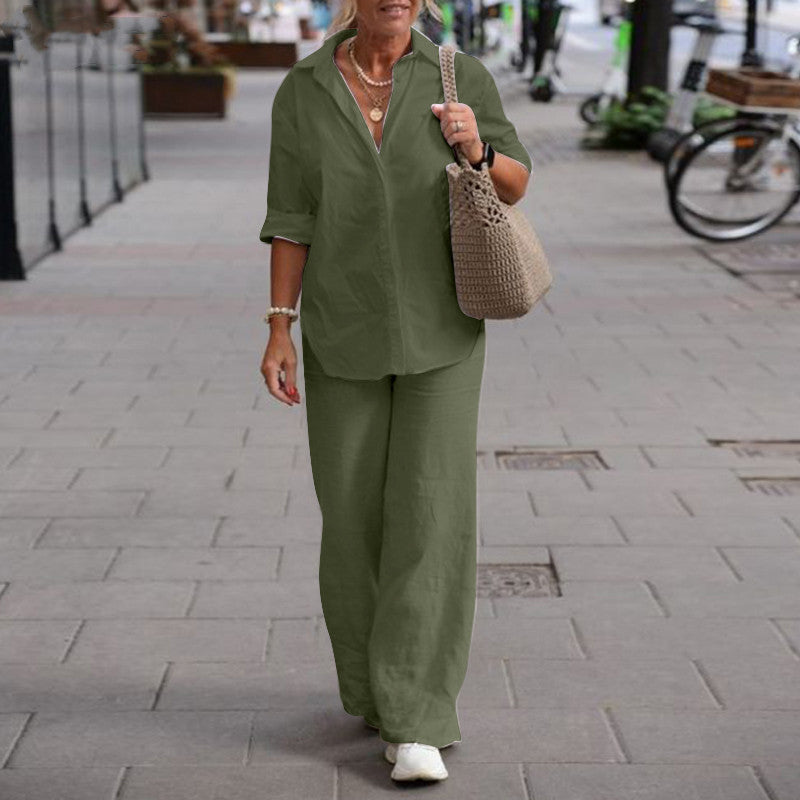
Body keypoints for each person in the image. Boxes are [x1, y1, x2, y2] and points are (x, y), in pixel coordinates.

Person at [258, 0, 532, 783]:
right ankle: (377, 688)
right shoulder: (304, 89)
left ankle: (417, 714)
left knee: (431, 513)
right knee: (351, 521)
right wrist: (280, 324)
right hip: (341, 330)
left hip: (443, 329)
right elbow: (290, 215)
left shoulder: (459, 74)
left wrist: (474, 146)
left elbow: (514, 184)